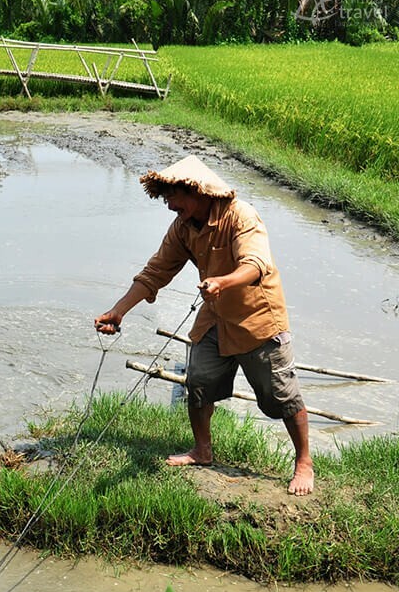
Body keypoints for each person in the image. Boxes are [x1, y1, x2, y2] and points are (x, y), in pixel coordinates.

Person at [94, 155, 314, 496]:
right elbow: (155, 272)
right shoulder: (183, 227)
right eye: (166, 199)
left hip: (256, 318)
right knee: (198, 380)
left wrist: (223, 282)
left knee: (280, 395)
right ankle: (202, 450)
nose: (170, 206)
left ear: (196, 191)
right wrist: (118, 311)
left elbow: (256, 264)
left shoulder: (241, 216)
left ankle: (304, 463)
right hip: (214, 317)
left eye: (173, 197)